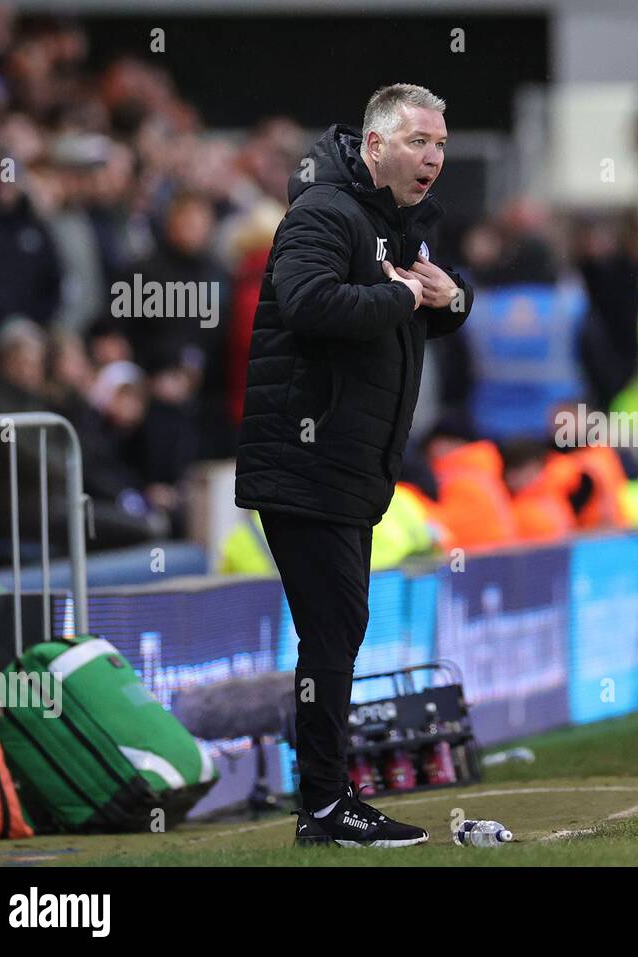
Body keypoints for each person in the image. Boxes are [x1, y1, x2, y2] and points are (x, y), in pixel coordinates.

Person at [234, 83, 474, 849]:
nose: (432, 156)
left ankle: (330, 801)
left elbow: (390, 323)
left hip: (348, 463)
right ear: (374, 145)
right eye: (417, 142)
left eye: (439, 143)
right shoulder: (323, 211)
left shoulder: (395, 225)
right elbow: (306, 303)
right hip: (305, 458)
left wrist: (449, 300)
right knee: (332, 632)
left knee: (338, 629)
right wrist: (403, 297)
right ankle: (327, 805)